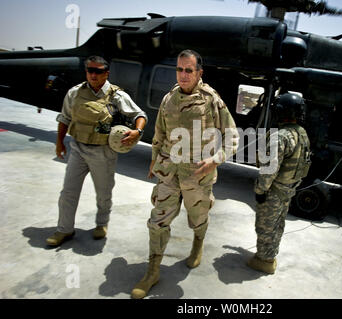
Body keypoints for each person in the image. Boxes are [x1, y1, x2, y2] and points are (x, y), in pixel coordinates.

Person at [131, 49, 239, 299]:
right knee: (157, 222)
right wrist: (153, 160)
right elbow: (158, 133)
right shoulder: (169, 98)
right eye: (179, 69)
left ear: (199, 72)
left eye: (188, 70)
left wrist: (216, 160)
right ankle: (152, 271)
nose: (183, 74)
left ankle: (197, 245)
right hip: (168, 173)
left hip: (198, 177)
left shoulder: (211, 99)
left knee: (198, 218)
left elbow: (232, 136)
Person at [46, 55, 147, 246]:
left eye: (98, 71)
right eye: (89, 70)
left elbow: (139, 115)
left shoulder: (117, 96)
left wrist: (137, 131)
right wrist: (59, 142)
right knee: (68, 192)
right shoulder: (75, 93)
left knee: (103, 192)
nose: (93, 75)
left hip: (103, 151)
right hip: (78, 148)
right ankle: (64, 230)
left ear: (106, 73)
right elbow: (65, 118)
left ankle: (102, 224)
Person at [247, 93, 311, 274]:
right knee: (278, 225)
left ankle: (264, 261)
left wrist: (260, 190)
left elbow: (269, 169)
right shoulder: (301, 133)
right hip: (289, 189)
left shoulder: (280, 137)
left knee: (265, 226)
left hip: (274, 191)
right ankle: (270, 255)